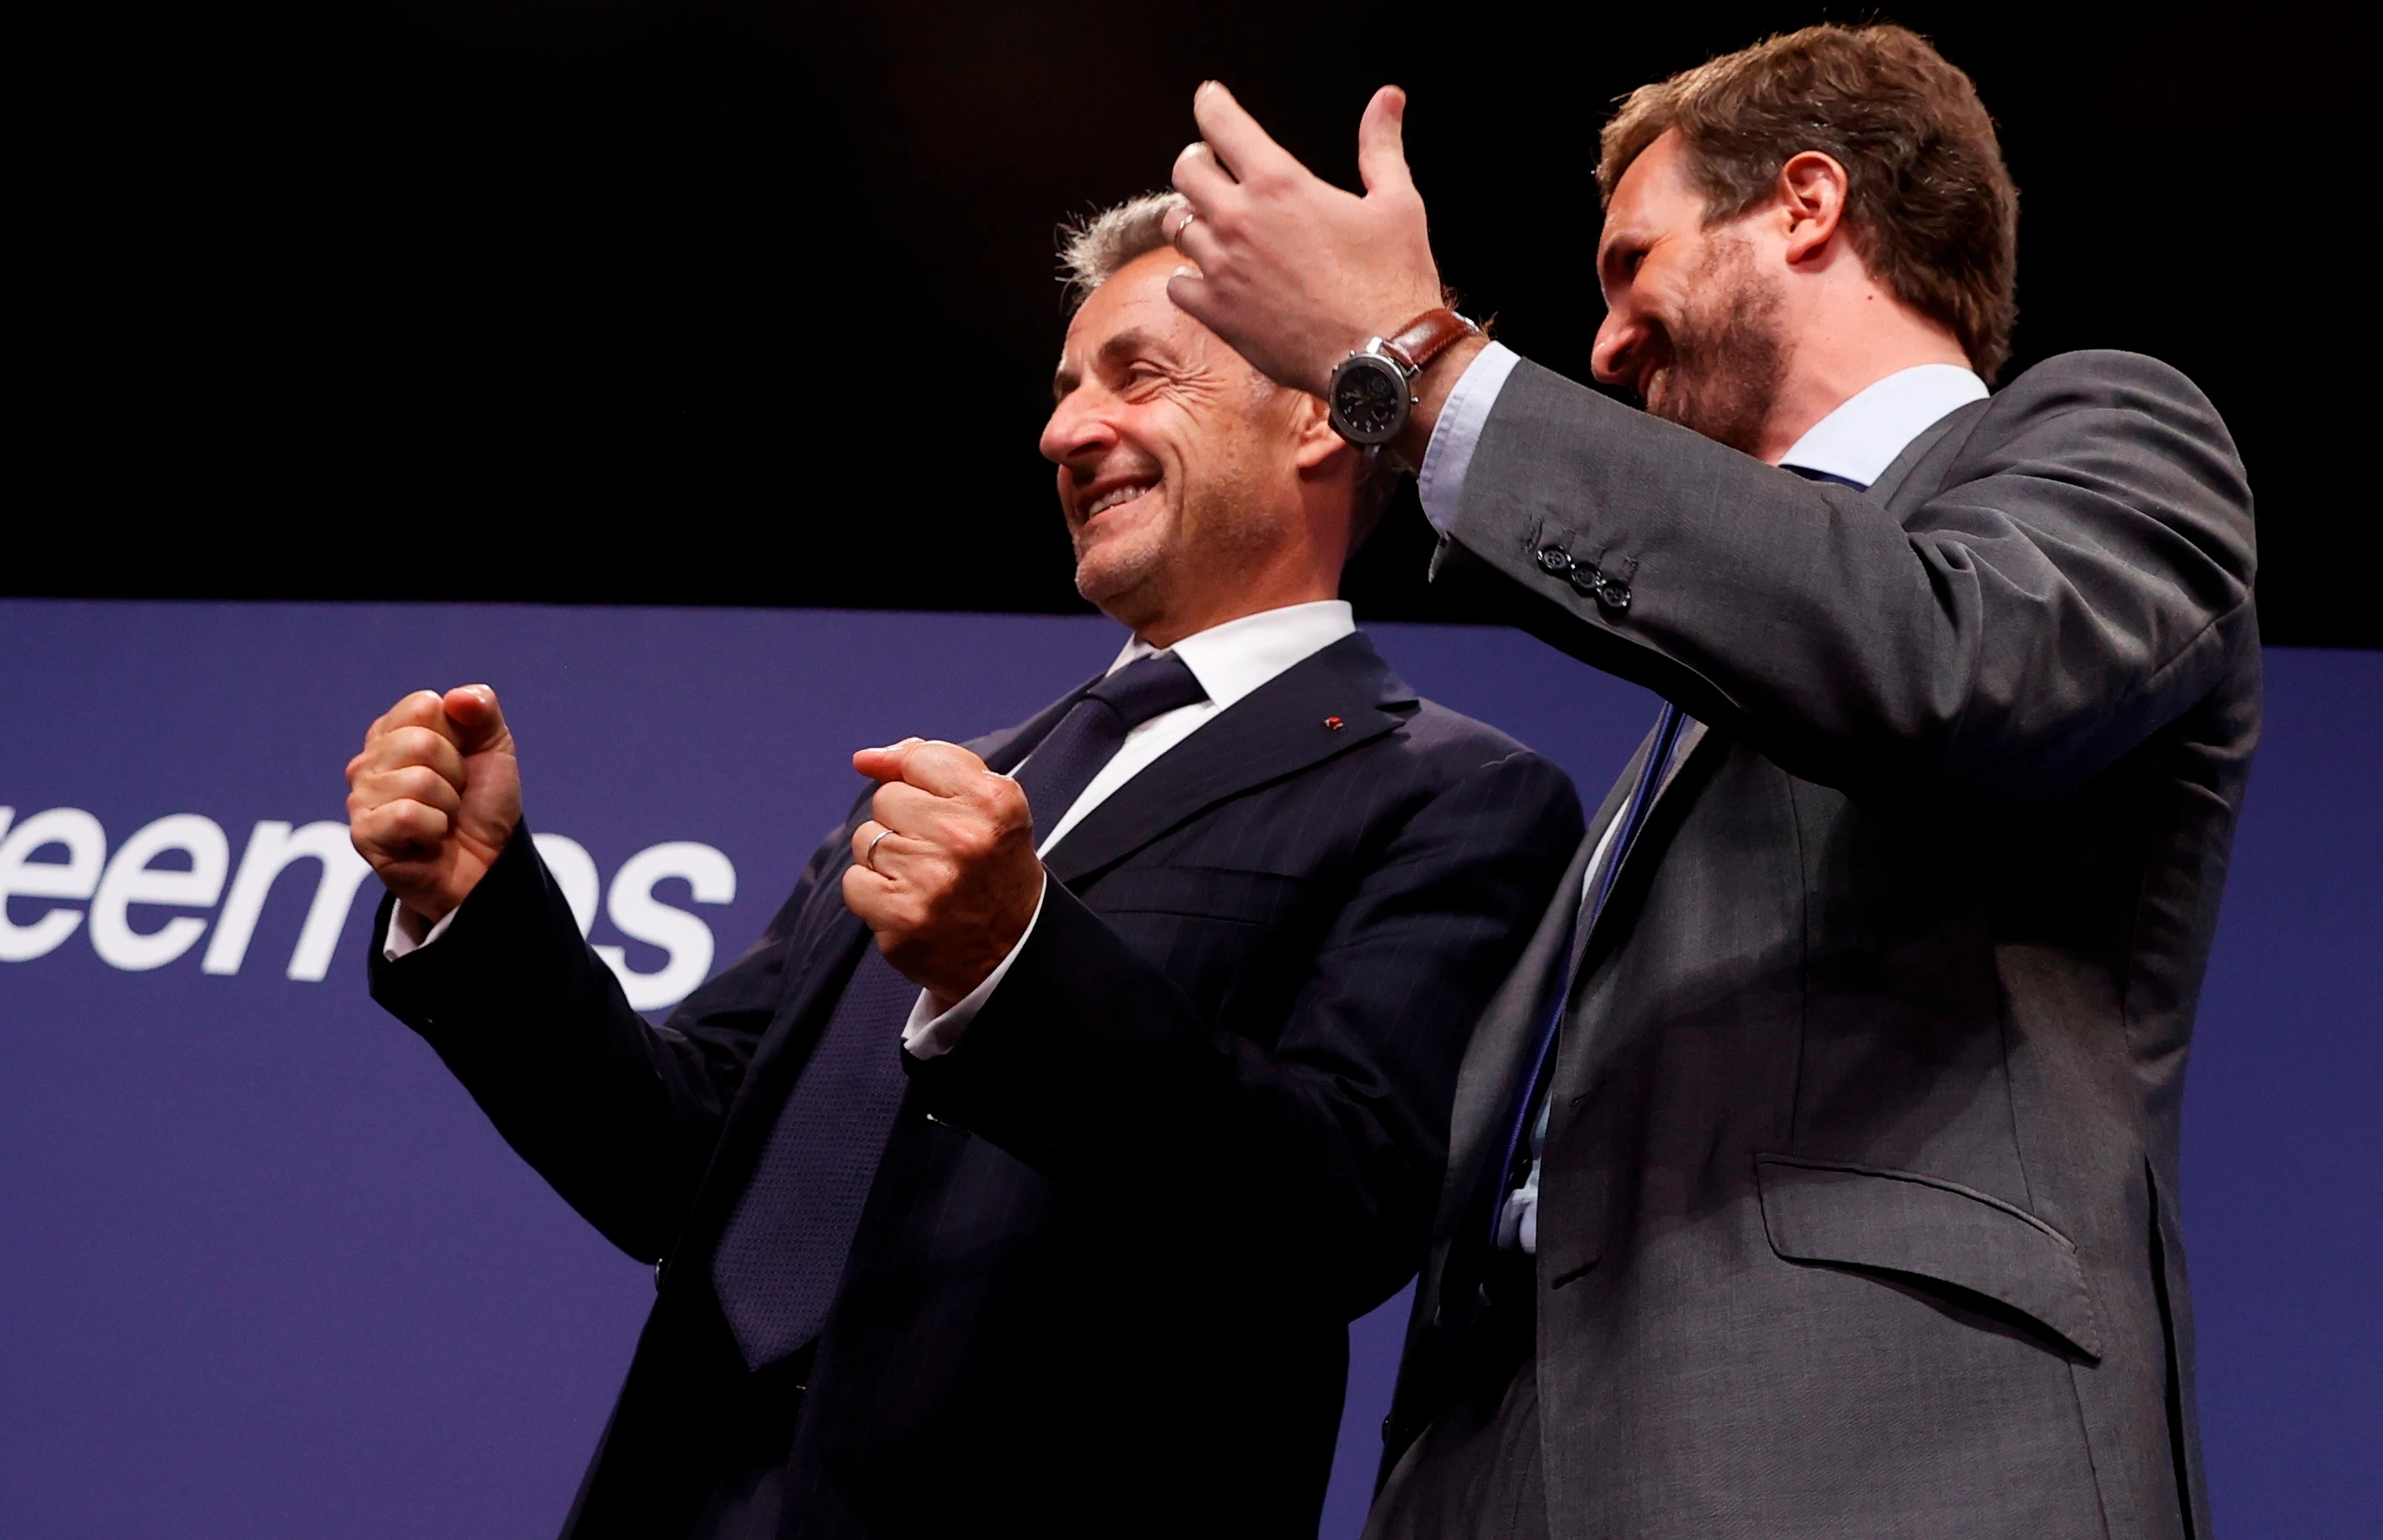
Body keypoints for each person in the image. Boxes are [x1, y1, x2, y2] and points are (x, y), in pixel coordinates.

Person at [340, 201, 1583, 1539]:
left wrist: (1021, 963)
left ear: (1321, 417)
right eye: (1060, 392)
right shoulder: (967, 777)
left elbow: (1336, 1209)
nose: (1063, 432)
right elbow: (684, 1155)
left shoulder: (1454, 794)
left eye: (1140, 374)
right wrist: (479, 903)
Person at [1158, 24, 2256, 1538]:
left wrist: (1424, 368)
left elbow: (1948, 665)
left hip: (1875, 1455)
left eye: (1628, 265)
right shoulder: (1696, 708)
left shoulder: (2115, 438)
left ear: (1806, 203)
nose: (1604, 344)